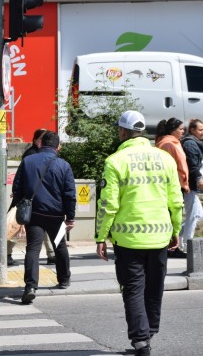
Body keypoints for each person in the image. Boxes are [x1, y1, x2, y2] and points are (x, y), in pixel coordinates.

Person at [96, 110, 183, 356]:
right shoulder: (164, 158)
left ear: (123, 132)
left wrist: (101, 237)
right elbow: (175, 200)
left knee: (133, 290)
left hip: (128, 240)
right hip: (160, 236)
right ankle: (149, 331)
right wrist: (176, 229)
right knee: (155, 288)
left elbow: (108, 204)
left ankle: (141, 341)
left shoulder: (115, 161)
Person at [12, 131, 76, 304]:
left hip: (34, 214)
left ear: (40, 144)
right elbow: (70, 194)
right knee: (60, 246)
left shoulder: (27, 161)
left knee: (33, 249)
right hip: (56, 215)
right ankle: (64, 279)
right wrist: (70, 217)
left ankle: (30, 287)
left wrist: (18, 212)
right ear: (58, 146)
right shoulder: (64, 165)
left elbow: (16, 188)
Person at [8, 128, 56, 266]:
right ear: (36, 140)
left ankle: (51, 254)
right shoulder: (31, 155)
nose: (45, 141)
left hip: (36, 199)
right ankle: (6, 253)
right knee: (16, 225)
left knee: (42, 227)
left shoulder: (42, 154)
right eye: (42, 138)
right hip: (27, 199)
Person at [155, 117, 189, 258]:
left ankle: (170, 246)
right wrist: (184, 183)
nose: (183, 131)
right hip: (173, 185)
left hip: (172, 184)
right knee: (173, 215)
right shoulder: (169, 144)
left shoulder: (169, 142)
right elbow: (177, 166)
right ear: (172, 130)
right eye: (180, 129)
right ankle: (171, 247)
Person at [180, 119, 203, 253]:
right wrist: (200, 180)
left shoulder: (195, 143)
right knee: (193, 215)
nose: (202, 132)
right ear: (192, 130)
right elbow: (193, 167)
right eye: (200, 130)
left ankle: (179, 238)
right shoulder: (190, 144)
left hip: (191, 186)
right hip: (189, 186)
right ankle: (187, 247)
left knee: (197, 214)